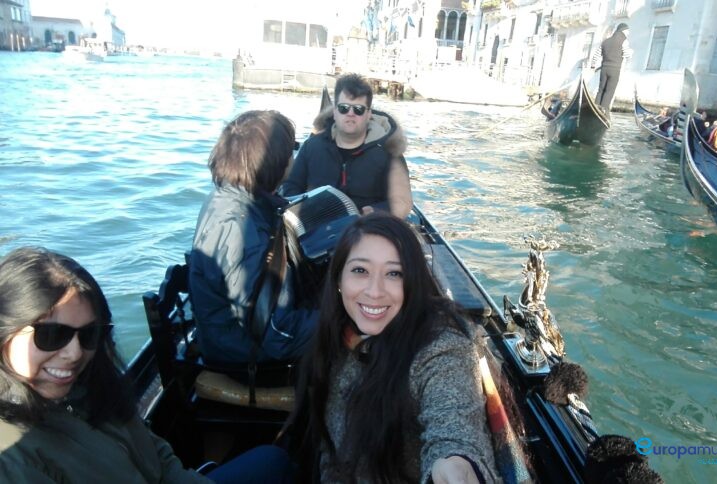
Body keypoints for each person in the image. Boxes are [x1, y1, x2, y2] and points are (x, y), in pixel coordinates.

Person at [0, 247, 291, 482]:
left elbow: (156, 453)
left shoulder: (89, 388)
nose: (75, 353)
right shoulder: (12, 456)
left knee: (274, 460)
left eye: (90, 333)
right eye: (52, 335)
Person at [284, 213, 500, 483]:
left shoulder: (441, 348)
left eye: (394, 273)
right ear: (339, 279)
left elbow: (454, 430)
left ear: (412, 283)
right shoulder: (338, 336)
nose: (375, 292)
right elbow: (331, 451)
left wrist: (456, 464)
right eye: (360, 271)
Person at [188, 110, 318, 366]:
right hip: (244, 357)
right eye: (291, 149)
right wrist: (342, 321)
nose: (294, 156)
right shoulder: (239, 228)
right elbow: (277, 335)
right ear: (277, 162)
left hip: (233, 337)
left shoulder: (227, 197)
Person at [280, 73, 413, 218]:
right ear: (335, 111)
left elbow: (402, 202)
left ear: (369, 114)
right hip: (316, 230)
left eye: (358, 109)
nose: (350, 114)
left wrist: (375, 212)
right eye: (344, 108)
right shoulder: (311, 147)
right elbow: (291, 188)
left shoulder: (389, 153)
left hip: (369, 230)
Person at [591, 22, 631, 113]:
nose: (628, 33)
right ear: (623, 31)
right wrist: (628, 62)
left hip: (604, 69)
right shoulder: (624, 41)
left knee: (600, 90)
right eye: (628, 31)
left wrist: (593, 65)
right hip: (615, 70)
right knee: (609, 91)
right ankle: (604, 111)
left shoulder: (606, 41)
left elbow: (596, 55)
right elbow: (627, 55)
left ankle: (596, 109)